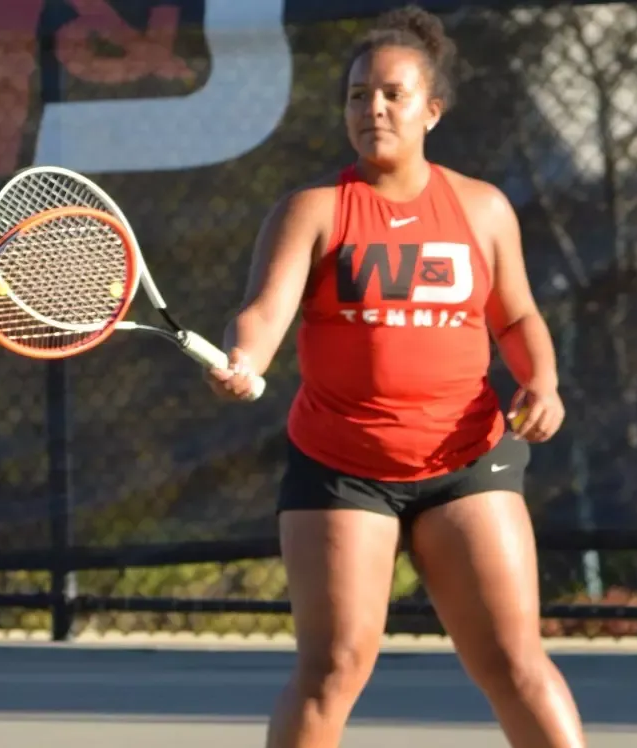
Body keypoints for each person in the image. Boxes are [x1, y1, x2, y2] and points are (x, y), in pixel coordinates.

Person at [208, 7, 587, 748]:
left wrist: (540, 382)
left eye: (392, 94)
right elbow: (261, 314)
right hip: (341, 470)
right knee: (333, 668)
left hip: (468, 462)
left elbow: (516, 317)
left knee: (515, 664)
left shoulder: (481, 208)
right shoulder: (313, 211)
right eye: (357, 95)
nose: (372, 109)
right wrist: (243, 357)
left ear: (431, 110)